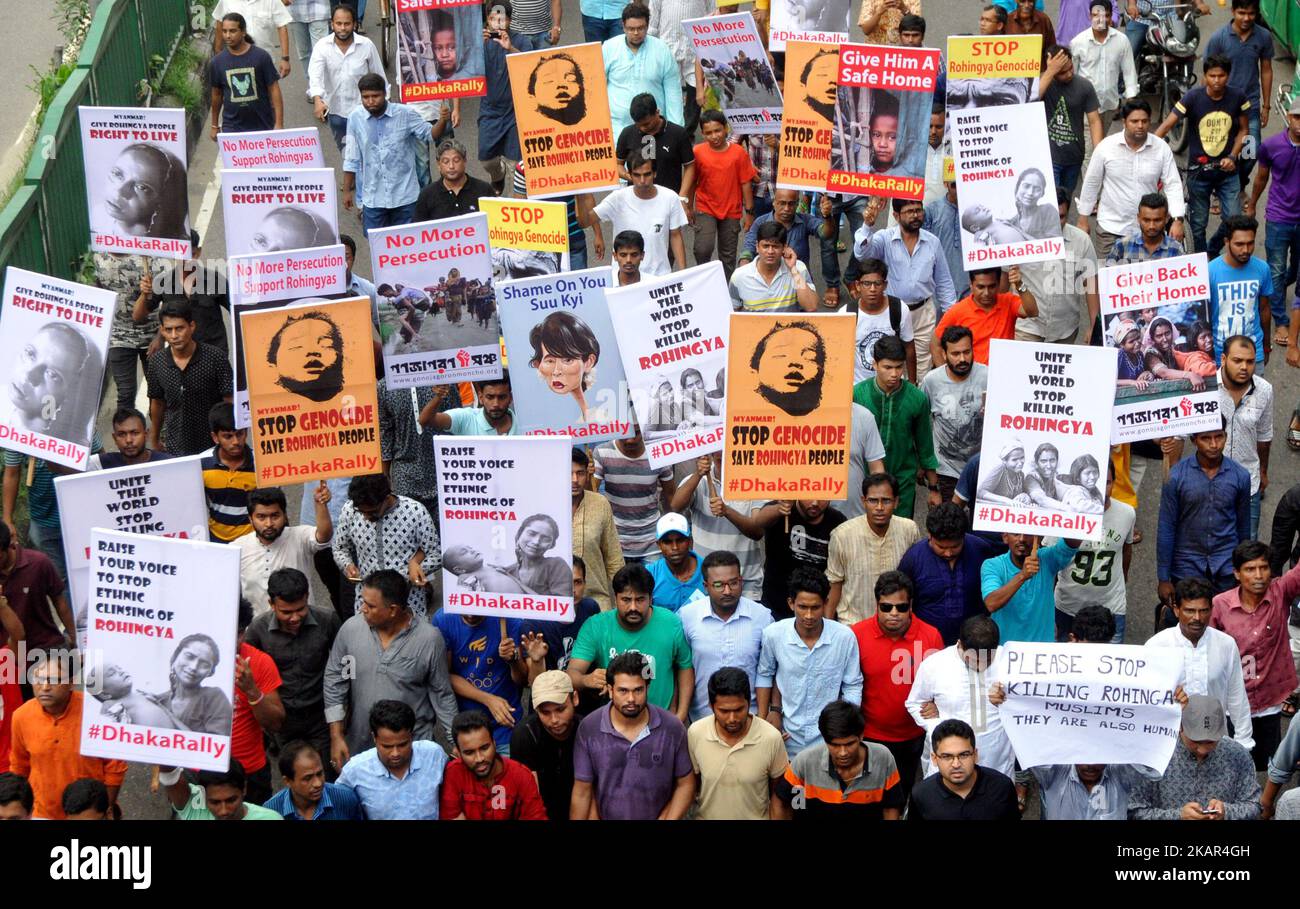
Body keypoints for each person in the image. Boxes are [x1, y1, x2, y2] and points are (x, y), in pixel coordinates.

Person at [324, 570, 459, 768]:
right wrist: (336, 736)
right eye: (363, 601)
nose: (363, 609)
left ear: (394, 610)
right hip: (361, 751)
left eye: (370, 606)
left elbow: (441, 693)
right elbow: (336, 682)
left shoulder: (429, 640)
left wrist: (456, 740)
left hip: (412, 754)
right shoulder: (350, 630)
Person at [852, 571, 943, 806]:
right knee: (869, 798)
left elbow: (942, 683)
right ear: (876, 604)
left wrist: (937, 702)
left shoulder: (931, 636)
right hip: (870, 736)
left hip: (913, 737)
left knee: (901, 797)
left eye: (901, 607)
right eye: (886, 607)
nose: (894, 614)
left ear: (911, 605)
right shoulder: (855, 635)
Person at [571, 650, 695, 819]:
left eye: (638, 690)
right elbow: (583, 790)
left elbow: (686, 783)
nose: (631, 698)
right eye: (623, 691)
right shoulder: (589, 728)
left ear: (647, 688)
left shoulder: (672, 728)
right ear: (610, 690)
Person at [1209, 540, 1300, 769]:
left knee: (1265, 765)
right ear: (1237, 574)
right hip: (1231, 704)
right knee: (1226, 765)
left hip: (1270, 702)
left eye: (1264, 568)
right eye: (1250, 569)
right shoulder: (1218, 606)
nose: (1258, 575)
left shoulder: (1281, 592)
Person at [757, 567, 863, 759]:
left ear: (826, 604)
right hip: (787, 736)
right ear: (791, 603)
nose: (809, 615)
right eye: (802, 607)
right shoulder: (773, 634)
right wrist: (769, 716)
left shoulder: (844, 637)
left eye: (815, 608)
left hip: (829, 740)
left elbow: (853, 685)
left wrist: (845, 726)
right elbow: (765, 674)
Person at [567, 563, 695, 721]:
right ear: (615, 598)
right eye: (626, 600)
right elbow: (571, 674)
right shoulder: (596, 626)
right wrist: (586, 680)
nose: (633, 607)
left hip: (662, 721)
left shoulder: (671, 623)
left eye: (640, 599)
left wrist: (681, 714)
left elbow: (685, 667)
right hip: (614, 723)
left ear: (651, 598)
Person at [852, 196, 959, 379]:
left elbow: (944, 283)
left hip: (922, 314)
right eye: (909, 211)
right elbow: (862, 254)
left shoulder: (933, 242)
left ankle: (916, 403)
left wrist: (952, 320)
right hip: (892, 313)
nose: (915, 215)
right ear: (896, 215)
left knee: (921, 368)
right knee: (890, 367)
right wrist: (868, 226)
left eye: (918, 210)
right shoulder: (884, 238)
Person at [243, 568, 342, 766]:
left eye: (300, 609)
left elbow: (345, 666)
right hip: (282, 722)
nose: (295, 618)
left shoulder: (328, 620)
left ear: (307, 597)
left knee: (325, 773)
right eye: (286, 612)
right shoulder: (257, 630)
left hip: (320, 717)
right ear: (271, 604)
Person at [9, 655, 124, 820]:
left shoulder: (96, 711)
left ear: (72, 682)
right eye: (38, 679)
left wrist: (105, 809)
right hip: (41, 812)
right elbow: (19, 766)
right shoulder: (21, 716)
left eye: (54, 680)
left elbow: (115, 767)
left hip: (87, 814)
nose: (45, 687)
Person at [1155, 56, 1248, 257]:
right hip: (1198, 173)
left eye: (1221, 75)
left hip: (1228, 172)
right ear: (1204, 76)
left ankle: (1212, 249)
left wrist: (1233, 156)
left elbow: (1243, 130)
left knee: (1233, 220)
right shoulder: (1192, 98)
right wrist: (1149, 147)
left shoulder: (1238, 97)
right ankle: (1200, 263)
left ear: (1228, 75)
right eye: (1212, 75)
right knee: (1197, 226)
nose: (1216, 80)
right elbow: (1166, 125)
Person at [1147, 577, 1254, 749]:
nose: (1197, 618)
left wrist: (1243, 743)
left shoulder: (1226, 644)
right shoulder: (1156, 647)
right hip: (1169, 745)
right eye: (1189, 611)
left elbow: (1237, 697)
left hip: (1216, 742)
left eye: (1203, 611)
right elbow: (1146, 701)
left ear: (1211, 610)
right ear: (1176, 610)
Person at [1157, 421, 1252, 611]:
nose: (1214, 444)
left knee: (1224, 624)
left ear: (1226, 436)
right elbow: (1167, 527)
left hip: (1226, 566)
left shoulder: (1240, 476)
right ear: (1194, 440)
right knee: (1187, 624)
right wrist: (1163, 578)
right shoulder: (1176, 477)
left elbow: (1244, 528)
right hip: (1186, 566)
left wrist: (1244, 569)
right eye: (1206, 438)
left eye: (1219, 436)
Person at [905, 616, 1014, 779]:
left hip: (996, 762)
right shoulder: (934, 665)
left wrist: (1009, 699)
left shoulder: (1010, 663)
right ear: (960, 645)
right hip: (948, 762)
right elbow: (914, 702)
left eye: (987, 661)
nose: (980, 666)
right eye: (974, 660)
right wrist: (936, 726)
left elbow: (1030, 703)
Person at [1077, 99, 1186, 256]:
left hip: (1148, 232)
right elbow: (1092, 183)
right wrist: (1083, 220)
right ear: (1124, 122)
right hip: (1111, 228)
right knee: (1110, 277)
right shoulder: (1106, 147)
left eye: (1144, 121)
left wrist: (1177, 219)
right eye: (1134, 121)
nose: (1140, 126)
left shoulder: (1161, 148)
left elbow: (1172, 184)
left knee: (1146, 277)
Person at [1129, 695, 1261, 819]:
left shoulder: (1237, 754)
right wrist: (1177, 816)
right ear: (1180, 726)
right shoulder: (1153, 755)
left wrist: (1226, 812)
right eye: (1196, 741)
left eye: (1210, 742)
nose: (1203, 750)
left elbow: (1254, 805)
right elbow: (1133, 810)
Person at [433, 607, 543, 755]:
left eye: (477, 609)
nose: (471, 615)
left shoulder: (509, 619)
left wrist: (512, 659)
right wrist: (487, 699)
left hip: (506, 722)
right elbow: (444, 676)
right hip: (467, 726)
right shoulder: (443, 619)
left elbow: (522, 681)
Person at [1046, 461, 1134, 643]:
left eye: (1107, 483)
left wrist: (1122, 580)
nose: (1102, 489)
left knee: (1110, 667)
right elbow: (1050, 564)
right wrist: (1047, 610)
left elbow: (1126, 549)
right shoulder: (1065, 513)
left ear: (1115, 483)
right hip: (1067, 608)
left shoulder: (1127, 513)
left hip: (1111, 608)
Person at [678, 551, 773, 721]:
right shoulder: (686, 617)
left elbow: (770, 669)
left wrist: (767, 714)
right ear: (706, 586)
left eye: (733, 583)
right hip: (700, 719)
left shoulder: (763, 617)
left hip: (750, 717)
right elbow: (680, 668)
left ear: (741, 581)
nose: (727, 591)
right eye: (719, 585)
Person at [772, 699, 906, 820]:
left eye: (849, 744)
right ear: (825, 739)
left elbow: (891, 807)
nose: (842, 753)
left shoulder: (883, 758)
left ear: (861, 736)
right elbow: (782, 803)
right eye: (835, 745)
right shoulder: (804, 762)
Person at [852, 339, 941, 518]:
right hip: (863, 479)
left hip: (903, 482)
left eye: (899, 367)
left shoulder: (917, 398)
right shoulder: (857, 394)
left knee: (901, 536)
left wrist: (933, 488)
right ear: (874, 364)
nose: (894, 374)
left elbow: (925, 447)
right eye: (887, 367)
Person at [686, 668, 788, 820]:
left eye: (739, 709)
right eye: (724, 711)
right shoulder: (696, 733)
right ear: (711, 706)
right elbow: (691, 785)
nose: (732, 718)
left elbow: (778, 795)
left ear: (748, 702)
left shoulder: (771, 737)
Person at [332, 473, 439, 615]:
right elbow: (340, 548)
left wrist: (414, 571)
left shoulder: (415, 512)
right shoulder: (350, 510)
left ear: (387, 497)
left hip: (408, 604)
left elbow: (436, 553)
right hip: (366, 606)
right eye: (361, 512)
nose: (366, 517)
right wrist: (347, 566)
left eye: (372, 512)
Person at [341, 74, 433, 233]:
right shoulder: (355, 118)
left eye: (375, 96)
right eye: (365, 97)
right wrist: (348, 190)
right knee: (378, 249)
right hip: (373, 198)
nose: (370, 101)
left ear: (385, 93)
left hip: (405, 196)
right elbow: (351, 158)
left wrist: (444, 120)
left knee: (408, 245)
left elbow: (429, 134)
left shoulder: (405, 114)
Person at [827, 473, 922, 625]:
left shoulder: (909, 530)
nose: (879, 507)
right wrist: (828, 628)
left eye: (886, 501)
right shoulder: (842, 535)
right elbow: (835, 583)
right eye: (873, 501)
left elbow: (916, 578)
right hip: (853, 626)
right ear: (863, 501)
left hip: (897, 626)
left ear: (896, 502)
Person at [670, 454, 767, 600]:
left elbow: (757, 531)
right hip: (705, 581)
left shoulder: (757, 482)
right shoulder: (698, 481)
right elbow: (676, 506)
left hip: (745, 582)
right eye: (720, 456)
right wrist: (698, 474)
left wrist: (727, 511)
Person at [579, 148, 686, 278]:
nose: (642, 181)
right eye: (636, 175)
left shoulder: (670, 198)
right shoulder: (617, 198)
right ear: (629, 175)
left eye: (647, 174)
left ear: (655, 174)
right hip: (624, 277)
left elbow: (675, 236)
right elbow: (584, 222)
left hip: (659, 276)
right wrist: (579, 194)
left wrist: (683, 274)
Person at [146, 299, 233, 457]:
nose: (174, 335)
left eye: (179, 328)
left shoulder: (215, 358)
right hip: (175, 448)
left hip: (213, 447)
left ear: (191, 326)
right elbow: (157, 403)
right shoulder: (156, 363)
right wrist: (155, 439)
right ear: (162, 331)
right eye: (169, 330)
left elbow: (230, 400)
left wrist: (232, 437)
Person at [336, 699, 450, 820]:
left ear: (411, 736)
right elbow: (337, 807)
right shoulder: (355, 771)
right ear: (374, 738)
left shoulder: (434, 756)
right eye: (387, 746)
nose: (395, 753)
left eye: (402, 745)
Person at [1203, 0, 1274, 190]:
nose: (1246, 18)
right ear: (1233, 11)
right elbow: (1207, 75)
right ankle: (1222, 191)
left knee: (1251, 153)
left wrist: (1266, 106)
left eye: (1251, 14)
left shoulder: (1264, 37)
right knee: (1221, 153)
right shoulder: (1219, 38)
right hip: (1222, 108)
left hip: (1250, 108)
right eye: (1242, 13)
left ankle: (1239, 185)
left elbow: (1266, 70)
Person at [1248, 98, 1300, 352]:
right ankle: (1281, 320)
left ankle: (1274, 290)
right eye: (1297, 118)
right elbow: (1260, 178)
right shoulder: (1270, 146)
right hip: (1279, 217)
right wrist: (1251, 206)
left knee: (1292, 270)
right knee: (1277, 270)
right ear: (1289, 117)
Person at [1016, 189, 1099, 344]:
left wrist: (1095, 326)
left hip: (1065, 331)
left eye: (1061, 217)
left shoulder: (1082, 241)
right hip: (1026, 328)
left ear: (1068, 215)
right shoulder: (1018, 239)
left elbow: (1091, 284)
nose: (1055, 222)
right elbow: (1002, 284)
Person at [441, 710, 548, 819]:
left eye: (484, 748)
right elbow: (452, 816)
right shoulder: (453, 773)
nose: (479, 758)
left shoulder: (521, 776)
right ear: (458, 753)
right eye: (469, 752)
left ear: (494, 744)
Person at [922, 325, 986, 502]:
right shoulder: (931, 381)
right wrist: (928, 475)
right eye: (955, 354)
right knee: (949, 525)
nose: (962, 359)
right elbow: (919, 424)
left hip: (980, 468)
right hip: (945, 470)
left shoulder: (988, 376)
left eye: (967, 352)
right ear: (944, 354)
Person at [308, 4, 385, 150]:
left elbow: (380, 77)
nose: (342, 28)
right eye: (338, 23)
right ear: (332, 24)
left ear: (355, 24)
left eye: (347, 24)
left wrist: (384, 108)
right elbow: (315, 76)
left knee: (369, 153)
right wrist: (318, 100)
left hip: (365, 112)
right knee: (347, 155)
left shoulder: (367, 45)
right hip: (336, 114)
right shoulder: (321, 47)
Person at [690, 111, 757, 280]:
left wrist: (749, 214)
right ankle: (704, 281)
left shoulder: (738, 153)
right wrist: (688, 206)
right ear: (702, 133)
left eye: (717, 130)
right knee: (703, 248)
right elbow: (691, 181)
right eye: (708, 133)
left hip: (731, 211)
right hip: (705, 207)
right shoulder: (697, 152)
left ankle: (727, 290)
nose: (714, 136)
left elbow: (746, 183)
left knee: (728, 255)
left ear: (726, 129)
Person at [908, 718, 1020, 820]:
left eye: (964, 755)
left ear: (975, 755)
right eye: (947, 756)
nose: (956, 764)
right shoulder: (921, 794)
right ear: (934, 759)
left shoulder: (1002, 787)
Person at [754, 499, 847, 621]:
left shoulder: (838, 521)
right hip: (776, 607)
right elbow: (759, 521)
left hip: (815, 611)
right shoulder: (782, 509)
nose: (815, 503)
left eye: (822, 497)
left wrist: (827, 617)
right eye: (809, 496)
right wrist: (778, 509)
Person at [593, 427, 675, 562]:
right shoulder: (602, 453)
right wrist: (589, 473)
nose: (630, 440)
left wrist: (672, 530)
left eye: (636, 433)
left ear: (643, 428)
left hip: (651, 542)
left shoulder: (658, 453)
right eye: (625, 432)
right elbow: (590, 495)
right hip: (615, 542)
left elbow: (671, 497)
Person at [602, 3, 683, 140]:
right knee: (620, 161)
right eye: (631, 28)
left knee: (649, 160)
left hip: (652, 130)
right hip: (617, 128)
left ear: (647, 26)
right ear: (623, 26)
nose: (635, 33)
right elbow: (597, 88)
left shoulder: (662, 50)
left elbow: (673, 93)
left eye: (640, 28)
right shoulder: (609, 48)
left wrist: (676, 133)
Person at [983, 532, 1081, 644]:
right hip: (1006, 650)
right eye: (1015, 534)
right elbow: (991, 603)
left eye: (1028, 534)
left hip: (1041, 651)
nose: (1022, 539)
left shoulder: (1047, 558)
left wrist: (1075, 516)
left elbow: (1072, 543)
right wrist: (1022, 576)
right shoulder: (992, 565)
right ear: (1005, 537)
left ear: (1038, 538)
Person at [137, 233, 228, 353]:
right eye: (182, 256)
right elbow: (138, 316)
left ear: (199, 252)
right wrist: (144, 294)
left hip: (214, 354)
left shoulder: (215, 280)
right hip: (180, 357)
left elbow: (238, 311)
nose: (187, 261)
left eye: (192, 254)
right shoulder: (163, 282)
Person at [932, 267, 1038, 367]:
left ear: (998, 284)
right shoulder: (957, 311)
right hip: (971, 378)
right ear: (971, 285)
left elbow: (1032, 311)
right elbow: (935, 344)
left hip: (1002, 374)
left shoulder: (1008, 302)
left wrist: (1019, 285)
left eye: (991, 286)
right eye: (981, 287)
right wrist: (946, 378)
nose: (986, 293)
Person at [510, 670, 581, 821]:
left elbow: (590, 790)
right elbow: (529, 797)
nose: (554, 719)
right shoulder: (525, 735)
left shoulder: (587, 731)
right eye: (545, 712)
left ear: (574, 699)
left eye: (560, 709)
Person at [1209, 216, 1274, 365]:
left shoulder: (1262, 269)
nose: (1246, 250)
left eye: (1250, 243)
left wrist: (1266, 347)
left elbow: (1264, 309)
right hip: (1219, 355)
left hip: (1253, 353)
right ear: (1226, 242)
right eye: (1239, 244)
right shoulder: (1210, 271)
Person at [1038, 47, 1102, 196]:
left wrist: (1099, 151)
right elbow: (1030, 101)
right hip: (1049, 156)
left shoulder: (1084, 86)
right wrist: (1050, 72)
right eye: (1061, 72)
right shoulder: (1042, 84)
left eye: (1070, 68)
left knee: (1066, 201)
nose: (1068, 74)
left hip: (1074, 156)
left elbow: (1094, 121)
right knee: (1053, 199)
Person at [209, 13, 284, 137]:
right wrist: (214, 125)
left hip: (263, 125)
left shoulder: (261, 57)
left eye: (232, 31)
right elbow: (216, 95)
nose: (228, 36)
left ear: (243, 32)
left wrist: (279, 123)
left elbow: (274, 89)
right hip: (232, 129)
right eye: (224, 31)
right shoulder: (217, 62)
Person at [1068, 0, 1136, 136]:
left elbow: (1129, 73)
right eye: (1095, 15)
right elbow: (1072, 76)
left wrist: (1131, 101)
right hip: (1085, 107)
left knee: (1101, 144)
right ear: (1090, 16)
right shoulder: (1078, 42)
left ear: (1111, 17)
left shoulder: (1122, 41)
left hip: (1109, 105)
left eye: (1105, 16)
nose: (1100, 20)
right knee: (1089, 152)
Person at [570, 448, 624, 611]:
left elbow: (614, 558)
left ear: (587, 474)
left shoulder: (600, 504)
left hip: (597, 601)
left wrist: (621, 597)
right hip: (556, 603)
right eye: (569, 473)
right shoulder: (545, 505)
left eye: (580, 473)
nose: (574, 480)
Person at [614, 93, 696, 198]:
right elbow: (618, 164)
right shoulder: (627, 133)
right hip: (637, 199)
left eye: (646, 124)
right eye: (638, 125)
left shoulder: (678, 133)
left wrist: (682, 196)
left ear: (657, 112)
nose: (642, 128)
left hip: (670, 199)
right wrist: (628, 176)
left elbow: (689, 166)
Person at [729, 221, 818, 313]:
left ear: (784, 248)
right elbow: (732, 313)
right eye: (765, 246)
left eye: (775, 246)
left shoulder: (798, 268)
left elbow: (811, 307)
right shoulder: (739, 276)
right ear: (757, 246)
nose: (770, 251)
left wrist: (793, 269)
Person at [263, 740, 364, 820]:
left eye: (320, 774)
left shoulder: (345, 799)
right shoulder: (271, 812)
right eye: (307, 778)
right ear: (288, 781)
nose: (318, 783)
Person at [200, 403, 257, 543]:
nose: (236, 442)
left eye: (240, 434)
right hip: (216, 541)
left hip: (253, 543)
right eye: (228, 436)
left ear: (246, 432)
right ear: (215, 437)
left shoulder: (261, 464)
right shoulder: (201, 464)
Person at [852, 258, 915, 384]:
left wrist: (913, 383)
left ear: (885, 285)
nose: (872, 289)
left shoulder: (899, 309)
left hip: (894, 385)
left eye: (877, 283)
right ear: (858, 285)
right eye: (866, 283)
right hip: (859, 387)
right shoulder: (847, 313)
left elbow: (909, 348)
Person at [740, 188, 827, 275]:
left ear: (797, 204)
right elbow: (747, 250)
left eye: (791, 204)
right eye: (782, 203)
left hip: (797, 277)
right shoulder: (760, 222)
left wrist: (828, 217)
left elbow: (826, 233)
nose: (786, 208)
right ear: (774, 202)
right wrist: (744, 271)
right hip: (767, 281)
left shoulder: (806, 220)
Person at [161, 759, 281, 821]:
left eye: (231, 800)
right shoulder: (195, 808)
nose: (223, 811)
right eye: (215, 802)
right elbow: (170, 776)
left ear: (244, 789)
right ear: (203, 794)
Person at [413, 139, 496, 222]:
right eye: (446, 162)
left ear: (464, 161)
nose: (451, 166)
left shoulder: (484, 190)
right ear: (439, 165)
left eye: (456, 161)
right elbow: (417, 230)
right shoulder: (427, 195)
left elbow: (496, 223)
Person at [645, 513, 706, 611]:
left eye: (680, 540)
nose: (675, 547)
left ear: (690, 541)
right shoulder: (650, 574)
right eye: (667, 542)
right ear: (659, 545)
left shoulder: (708, 571)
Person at [423, 373, 518, 436]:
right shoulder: (465, 418)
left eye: (502, 397)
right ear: (481, 397)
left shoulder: (524, 425)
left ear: (510, 398)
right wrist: (438, 397)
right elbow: (425, 420)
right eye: (490, 397)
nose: (496, 404)